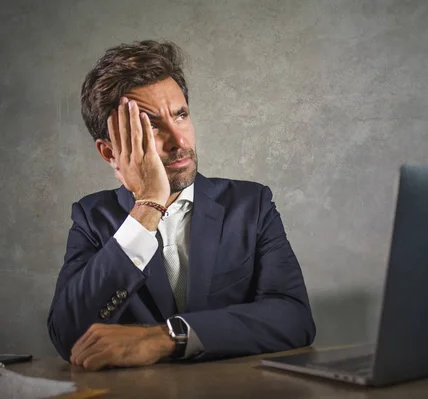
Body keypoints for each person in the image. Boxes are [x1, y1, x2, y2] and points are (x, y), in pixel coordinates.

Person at [47, 40, 316, 371]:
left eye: (181, 115)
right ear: (109, 152)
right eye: (151, 126)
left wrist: (167, 337)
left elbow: (294, 319)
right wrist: (147, 205)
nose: (180, 141)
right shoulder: (93, 218)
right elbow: (68, 337)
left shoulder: (251, 205)